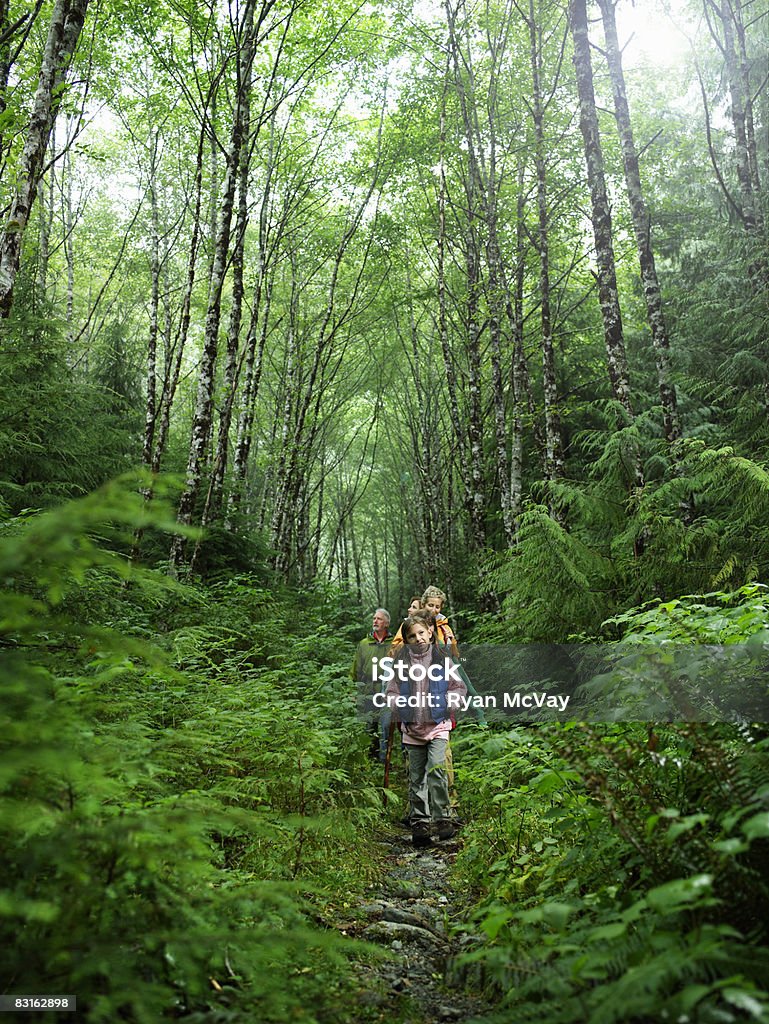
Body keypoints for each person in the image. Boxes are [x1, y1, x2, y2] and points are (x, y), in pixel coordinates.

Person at [385, 612, 467, 847]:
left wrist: (451, 701)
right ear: (407, 640)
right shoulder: (401, 664)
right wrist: (397, 704)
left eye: (421, 633)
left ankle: (443, 819)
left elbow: (458, 687)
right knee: (416, 777)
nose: (418, 638)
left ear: (430, 633)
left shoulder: (442, 659)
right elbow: (391, 691)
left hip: (438, 726)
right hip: (412, 729)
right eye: (412, 636)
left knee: (437, 771)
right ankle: (420, 822)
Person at [352, 608, 393, 761]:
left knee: (385, 726)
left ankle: (385, 761)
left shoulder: (395, 643)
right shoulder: (364, 644)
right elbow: (356, 670)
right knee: (369, 727)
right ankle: (371, 761)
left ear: (387, 623)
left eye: (379, 619)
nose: (375, 621)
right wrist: (355, 692)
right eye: (374, 618)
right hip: (368, 690)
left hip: (387, 691)